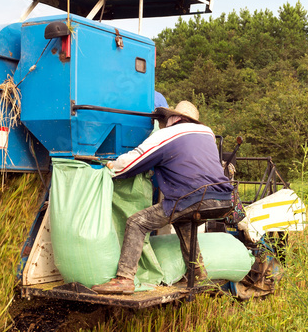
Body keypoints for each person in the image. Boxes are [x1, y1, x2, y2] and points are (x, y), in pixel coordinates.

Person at [91, 100, 233, 295]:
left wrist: (109, 168)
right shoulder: (206, 134)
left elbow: (133, 161)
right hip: (222, 198)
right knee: (182, 219)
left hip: (194, 197)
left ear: (173, 118)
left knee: (136, 223)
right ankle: (198, 273)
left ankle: (124, 278)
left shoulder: (168, 134)